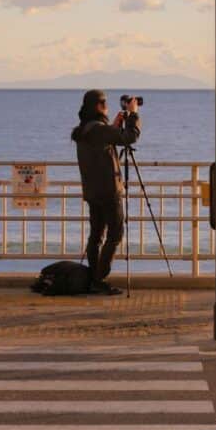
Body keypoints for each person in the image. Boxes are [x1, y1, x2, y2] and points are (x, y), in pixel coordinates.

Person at [71, 90, 141, 295]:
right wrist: (134, 115)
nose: (107, 106)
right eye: (104, 103)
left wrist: (114, 127)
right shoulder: (100, 130)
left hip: (93, 191)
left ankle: (94, 278)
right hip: (109, 191)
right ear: (97, 106)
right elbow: (130, 137)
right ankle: (99, 278)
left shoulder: (84, 130)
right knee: (115, 233)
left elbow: (103, 142)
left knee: (96, 235)